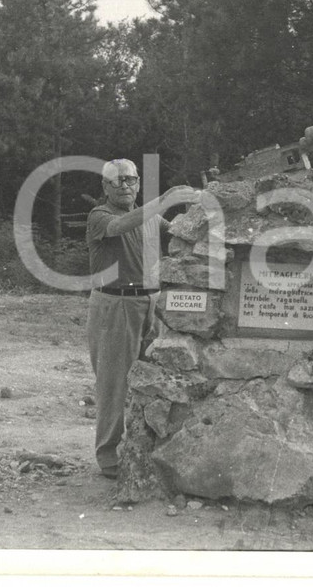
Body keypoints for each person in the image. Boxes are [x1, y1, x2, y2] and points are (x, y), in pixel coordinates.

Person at [85, 158, 198, 479]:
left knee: (152, 380)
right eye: (117, 181)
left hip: (150, 303)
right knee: (113, 383)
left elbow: (179, 229)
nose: (125, 186)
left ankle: (140, 449)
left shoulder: (151, 217)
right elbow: (120, 227)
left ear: (138, 183)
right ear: (104, 187)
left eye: (130, 180)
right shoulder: (99, 215)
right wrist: (164, 200)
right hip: (115, 304)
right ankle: (109, 458)